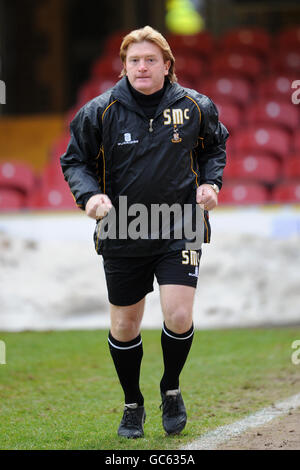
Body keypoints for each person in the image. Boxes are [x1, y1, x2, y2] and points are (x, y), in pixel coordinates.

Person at [61, 25, 228, 439]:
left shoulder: (196, 106)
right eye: (134, 60)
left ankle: (171, 388)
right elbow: (74, 161)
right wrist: (90, 198)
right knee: (124, 327)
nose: (142, 67)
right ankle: (132, 403)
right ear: (123, 66)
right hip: (123, 226)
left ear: (167, 65)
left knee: (178, 314)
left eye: (151, 59)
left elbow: (215, 148)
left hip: (180, 224)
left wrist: (212, 185)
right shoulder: (99, 111)